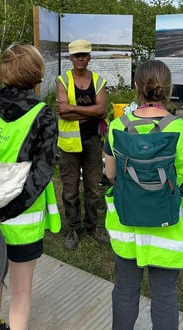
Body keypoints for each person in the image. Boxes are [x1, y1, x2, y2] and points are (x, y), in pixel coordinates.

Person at [103, 60, 183, 330]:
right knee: (165, 295)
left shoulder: (116, 126)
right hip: (168, 230)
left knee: (124, 290)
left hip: (127, 227)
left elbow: (110, 174)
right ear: (168, 89)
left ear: (136, 86)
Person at [0, 44, 61, 330]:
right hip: (23, 218)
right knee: (21, 290)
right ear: (37, 73)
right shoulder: (42, 115)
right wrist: (9, 210)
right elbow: (42, 172)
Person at [55, 39, 109, 250]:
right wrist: (90, 111)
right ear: (70, 57)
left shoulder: (98, 80)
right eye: (76, 55)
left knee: (93, 188)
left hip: (93, 141)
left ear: (89, 57)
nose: (80, 58)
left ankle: (92, 227)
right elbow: (62, 112)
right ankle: (74, 229)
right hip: (69, 144)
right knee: (70, 189)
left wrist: (72, 108)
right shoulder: (63, 80)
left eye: (83, 55)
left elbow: (101, 111)